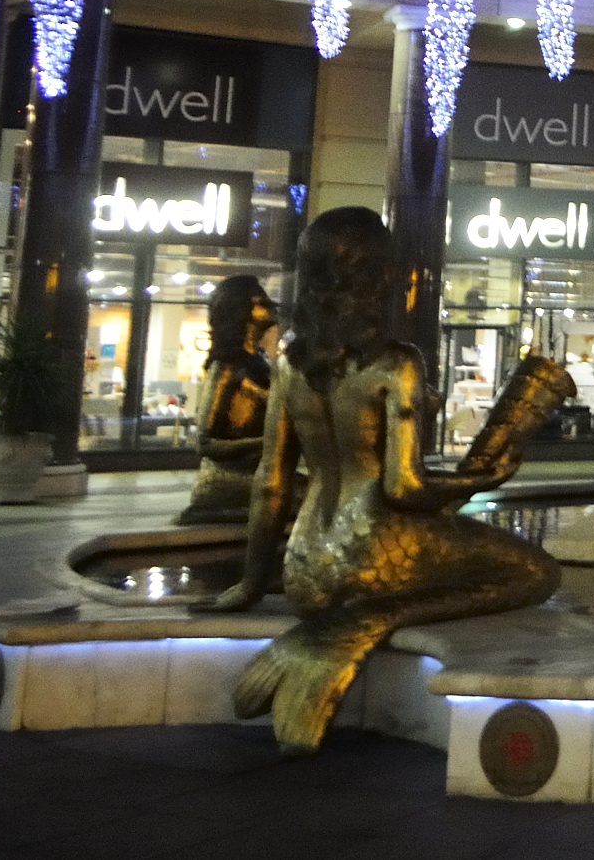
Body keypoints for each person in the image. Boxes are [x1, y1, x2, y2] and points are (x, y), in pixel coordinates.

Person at [201, 207, 559, 753]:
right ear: (377, 276)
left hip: (305, 569)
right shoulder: (397, 364)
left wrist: (250, 586)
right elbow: (403, 489)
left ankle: (340, 618)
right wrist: (481, 479)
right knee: (536, 572)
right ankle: (368, 620)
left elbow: (271, 483)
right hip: (373, 555)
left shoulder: (290, 365)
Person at [175, 275, 278, 524]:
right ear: (242, 310)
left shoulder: (259, 361)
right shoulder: (226, 368)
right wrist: (270, 443)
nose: (272, 306)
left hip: (257, 469)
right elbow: (204, 442)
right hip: (228, 477)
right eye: (262, 302)